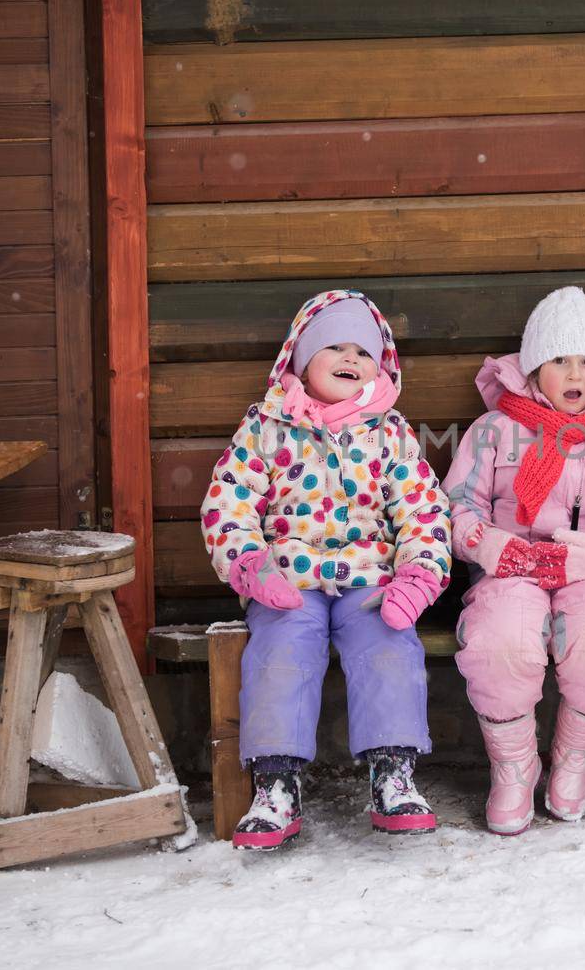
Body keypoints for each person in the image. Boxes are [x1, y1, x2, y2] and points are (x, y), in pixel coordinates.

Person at [201, 289, 452, 850]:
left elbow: (423, 508)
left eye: (363, 352)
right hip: (287, 580)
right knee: (282, 651)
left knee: (389, 642)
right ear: (300, 358)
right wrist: (248, 563)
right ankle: (276, 782)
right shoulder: (267, 427)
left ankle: (393, 772)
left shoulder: (390, 432)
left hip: (371, 579)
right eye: (334, 346)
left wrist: (419, 575)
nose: (350, 359)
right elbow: (230, 500)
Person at [445, 287, 585, 834]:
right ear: (533, 366)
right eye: (559, 360)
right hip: (510, 570)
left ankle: (575, 760)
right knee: (501, 639)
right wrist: (486, 544)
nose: (574, 373)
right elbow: (457, 504)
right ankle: (512, 767)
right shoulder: (493, 431)